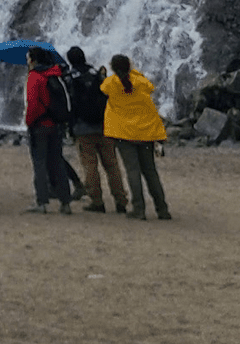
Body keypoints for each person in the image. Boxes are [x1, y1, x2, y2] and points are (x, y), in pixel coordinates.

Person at [102, 53, 170, 221]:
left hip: (124, 134)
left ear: (112, 68)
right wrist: (135, 73)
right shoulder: (140, 82)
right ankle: (162, 209)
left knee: (133, 172)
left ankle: (139, 209)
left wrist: (104, 75)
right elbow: (150, 87)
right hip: (146, 133)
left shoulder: (111, 83)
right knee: (150, 172)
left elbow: (103, 88)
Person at [64, 45, 127, 214]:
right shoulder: (97, 74)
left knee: (90, 166)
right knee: (112, 165)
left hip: (82, 128)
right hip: (104, 126)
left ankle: (97, 201)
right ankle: (121, 200)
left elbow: (69, 104)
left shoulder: (70, 77)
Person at [23, 48, 73, 214]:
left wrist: (29, 122)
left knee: (40, 163)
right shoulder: (56, 74)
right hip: (57, 124)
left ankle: (42, 202)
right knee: (57, 162)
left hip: (40, 125)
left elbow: (33, 103)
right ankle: (65, 202)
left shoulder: (35, 77)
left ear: (33, 60)